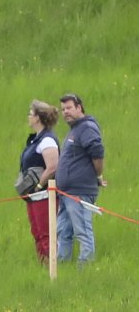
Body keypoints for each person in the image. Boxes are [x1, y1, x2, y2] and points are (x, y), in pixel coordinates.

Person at [49, 93, 106, 268]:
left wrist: (97, 174)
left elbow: (97, 152)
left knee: (83, 231)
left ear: (79, 108)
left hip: (79, 192)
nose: (65, 112)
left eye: (69, 108)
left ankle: (85, 268)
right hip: (66, 192)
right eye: (63, 109)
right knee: (63, 232)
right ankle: (62, 266)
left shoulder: (87, 127)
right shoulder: (74, 130)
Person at [19, 100, 60, 264]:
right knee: (36, 232)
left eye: (31, 114)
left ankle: (52, 266)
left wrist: (37, 186)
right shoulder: (36, 139)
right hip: (34, 196)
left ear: (38, 118)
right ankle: (43, 264)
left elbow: (52, 167)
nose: (29, 117)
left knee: (46, 233)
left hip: (44, 195)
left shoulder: (47, 140)